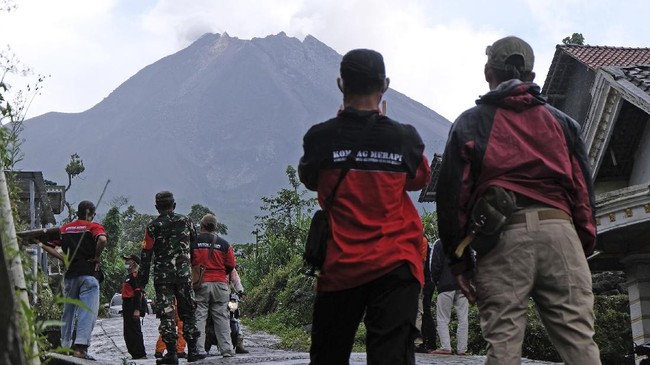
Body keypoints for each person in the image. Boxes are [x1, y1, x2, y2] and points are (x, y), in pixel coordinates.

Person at [436, 36, 601, 364]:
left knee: (504, 345)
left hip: (503, 239)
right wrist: (580, 242)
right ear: (532, 75)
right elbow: (583, 191)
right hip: (561, 232)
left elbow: (453, 197)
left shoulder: (471, 123)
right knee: (580, 343)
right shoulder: (563, 123)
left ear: (488, 72)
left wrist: (458, 261)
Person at [298, 48, 431, 365]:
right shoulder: (404, 138)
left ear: (341, 84)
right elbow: (419, 179)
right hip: (397, 263)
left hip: (341, 265)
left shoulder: (321, 138)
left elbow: (310, 179)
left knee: (328, 356)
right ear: (384, 84)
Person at [138, 191, 205, 364]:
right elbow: (194, 247)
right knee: (188, 311)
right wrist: (193, 269)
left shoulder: (152, 226)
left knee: (167, 314)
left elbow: (146, 255)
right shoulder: (186, 221)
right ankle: (193, 351)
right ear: (174, 205)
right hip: (184, 275)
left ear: (156, 207)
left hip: (163, 277)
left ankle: (172, 354)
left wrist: (142, 280)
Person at [46, 200, 106, 360]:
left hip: (70, 276)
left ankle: (64, 346)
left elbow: (45, 244)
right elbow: (102, 240)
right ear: (92, 214)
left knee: (68, 312)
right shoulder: (93, 227)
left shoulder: (65, 229)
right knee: (87, 311)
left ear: (78, 213)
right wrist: (96, 257)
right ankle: (80, 348)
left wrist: (63, 258)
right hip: (88, 275)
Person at [191, 214, 236, 358]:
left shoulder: (193, 242)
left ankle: (199, 350)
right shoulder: (224, 244)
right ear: (215, 227)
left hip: (201, 284)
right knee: (222, 317)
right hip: (220, 283)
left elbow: (188, 262)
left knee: (200, 316)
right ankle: (227, 350)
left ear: (202, 225)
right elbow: (231, 265)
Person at [429, 239, 468, 356]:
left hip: (445, 284)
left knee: (443, 318)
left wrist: (437, 281)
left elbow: (434, 265)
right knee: (463, 319)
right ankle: (462, 350)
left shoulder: (439, 243)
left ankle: (446, 347)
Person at [121, 254, 147, 360]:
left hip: (132, 304)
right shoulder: (128, 277)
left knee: (135, 330)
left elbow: (138, 294)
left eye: (128, 261)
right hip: (127, 304)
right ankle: (134, 353)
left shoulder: (135, 276)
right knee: (128, 331)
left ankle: (140, 353)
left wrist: (137, 309)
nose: (126, 263)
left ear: (134, 263)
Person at [415, 236, 437, 353]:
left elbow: (422, 263)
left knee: (423, 311)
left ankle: (423, 343)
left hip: (423, 280)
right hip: (425, 280)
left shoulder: (423, 241)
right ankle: (425, 342)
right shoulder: (425, 242)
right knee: (423, 312)